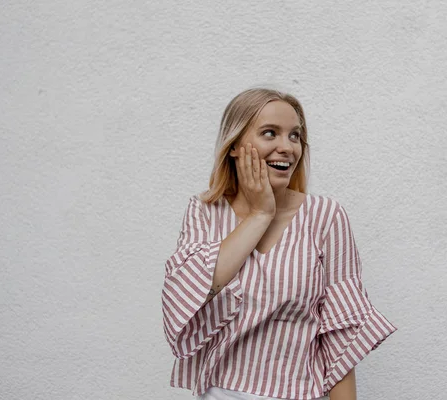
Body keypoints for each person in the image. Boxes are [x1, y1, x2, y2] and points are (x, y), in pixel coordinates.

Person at [161, 87, 397, 400]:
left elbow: (341, 335)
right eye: (270, 133)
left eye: (295, 136)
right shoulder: (205, 212)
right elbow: (192, 295)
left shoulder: (325, 216)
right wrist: (260, 213)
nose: (286, 147)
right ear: (234, 146)